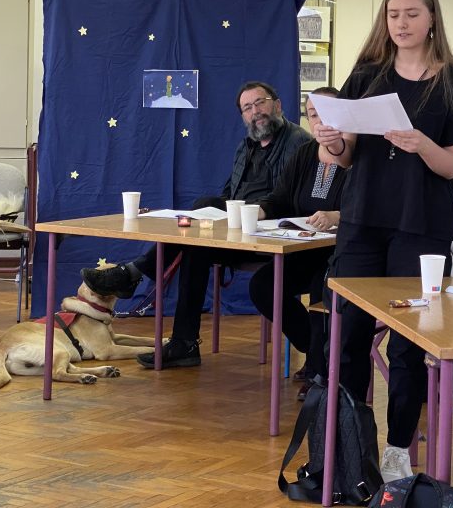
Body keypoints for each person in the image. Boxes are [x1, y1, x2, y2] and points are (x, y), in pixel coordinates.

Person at [312, 0, 453, 482]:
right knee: (348, 335)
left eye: (411, 14)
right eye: (393, 15)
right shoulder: (368, 74)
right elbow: (342, 157)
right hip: (363, 221)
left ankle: (397, 449)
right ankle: (348, 444)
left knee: (409, 343)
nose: (401, 23)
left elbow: (450, 167)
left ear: (432, 18)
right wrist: (331, 140)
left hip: (422, 226)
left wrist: (420, 144)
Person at [82, 80, 311, 368]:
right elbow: (229, 194)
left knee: (200, 217)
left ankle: (133, 273)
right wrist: (215, 215)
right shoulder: (246, 146)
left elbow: (288, 200)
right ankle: (184, 343)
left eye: (260, 103)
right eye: (247, 107)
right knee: (195, 240)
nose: (255, 111)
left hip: (270, 233)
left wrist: (238, 213)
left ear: (277, 104)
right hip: (236, 231)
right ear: (243, 116)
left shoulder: (299, 143)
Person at [248, 87, 346, 399]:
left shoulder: (359, 155)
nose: (319, 121)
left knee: (321, 288)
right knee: (263, 285)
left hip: (341, 252)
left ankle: (319, 371)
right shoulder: (305, 153)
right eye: (313, 115)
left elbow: (370, 207)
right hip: (304, 246)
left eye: (327, 114)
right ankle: (313, 348)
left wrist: (336, 216)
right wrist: (258, 211)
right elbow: (280, 197)